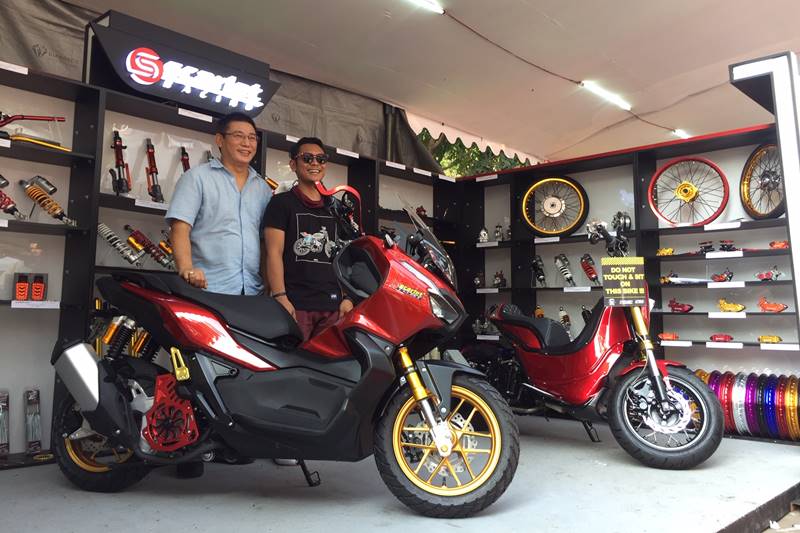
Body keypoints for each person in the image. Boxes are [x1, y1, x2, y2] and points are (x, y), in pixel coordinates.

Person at [166, 112, 272, 296]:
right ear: (220, 140)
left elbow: (264, 240)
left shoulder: (263, 188)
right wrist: (187, 268)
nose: (246, 143)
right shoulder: (196, 178)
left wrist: (268, 284)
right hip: (208, 287)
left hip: (252, 291)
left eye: (252, 138)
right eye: (238, 136)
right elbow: (180, 227)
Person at [262, 137, 353, 341]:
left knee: (329, 360)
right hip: (295, 304)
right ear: (293, 164)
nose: (315, 163)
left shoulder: (335, 207)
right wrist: (280, 296)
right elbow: (273, 253)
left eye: (321, 159)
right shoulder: (280, 203)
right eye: (307, 158)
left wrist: (347, 298)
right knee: (292, 358)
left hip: (333, 306)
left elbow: (344, 257)